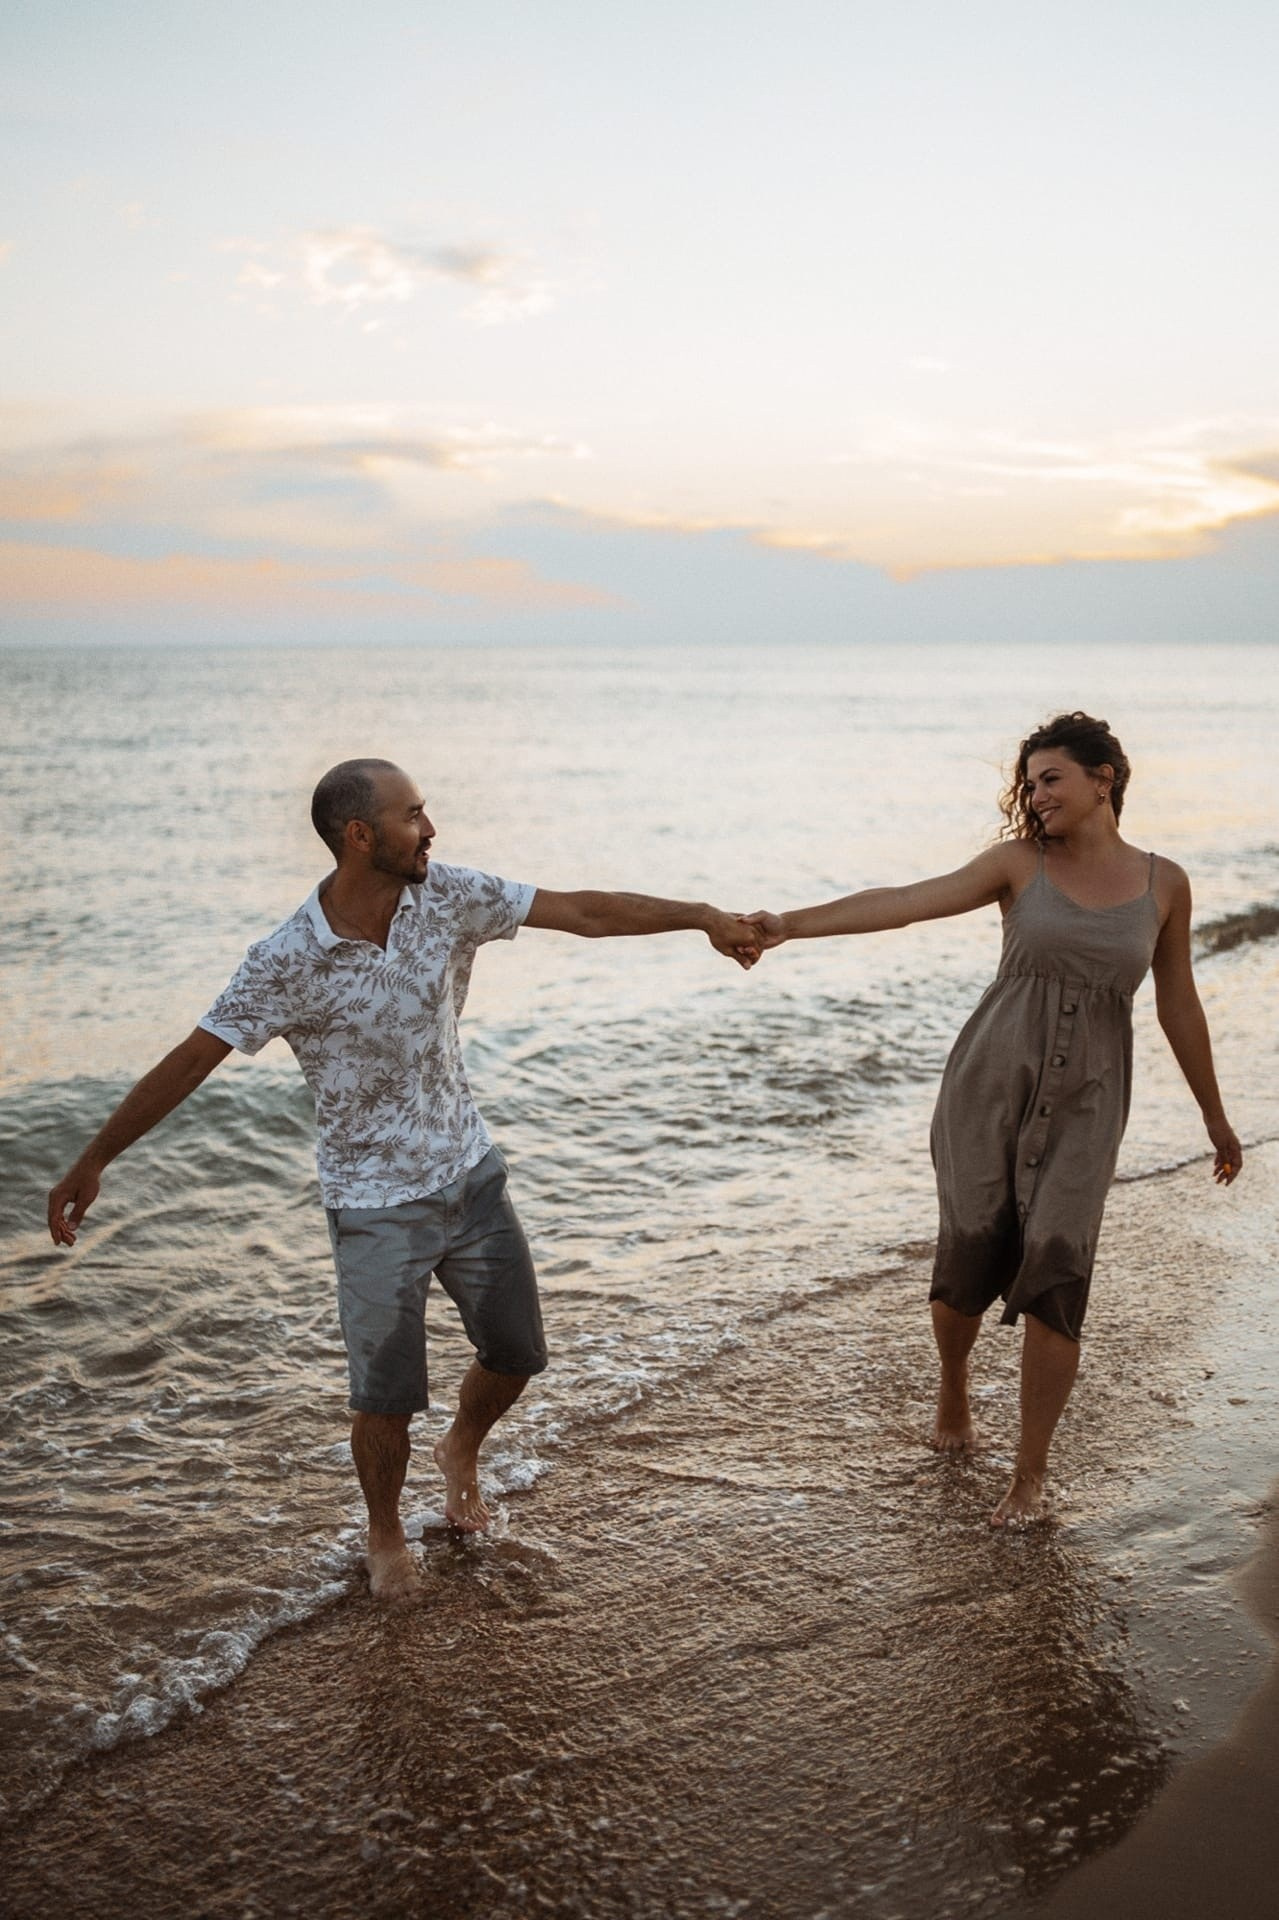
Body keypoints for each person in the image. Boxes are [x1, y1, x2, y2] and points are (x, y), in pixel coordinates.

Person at [47, 758, 762, 1602]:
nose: (431, 828)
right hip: (372, 1203)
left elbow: (582, 910)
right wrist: (95, 1158)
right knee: (384, 1398)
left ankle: (462, 1445)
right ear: (360, 835)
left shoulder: (447, 895)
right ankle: (386, 1533)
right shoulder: (286, 960)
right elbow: (194, 1057)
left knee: (517, 1353)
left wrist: (702, 917)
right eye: (413, 814)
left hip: (470, 1170)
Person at [744, 712, 1241, 1527]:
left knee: (1057, 1268)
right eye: (1031, 781)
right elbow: (906, 902)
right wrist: (789, 925)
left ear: (1101, 780)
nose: (1035, 794)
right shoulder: (1017, 865)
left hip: (1089, 1101)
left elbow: (1177, 999)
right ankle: (952, 1391)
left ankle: (1030, 1475)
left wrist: (1213, 1116)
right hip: (987, 1084)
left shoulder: (1164, 883)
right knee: (970, 1254)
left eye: (1051, 779)